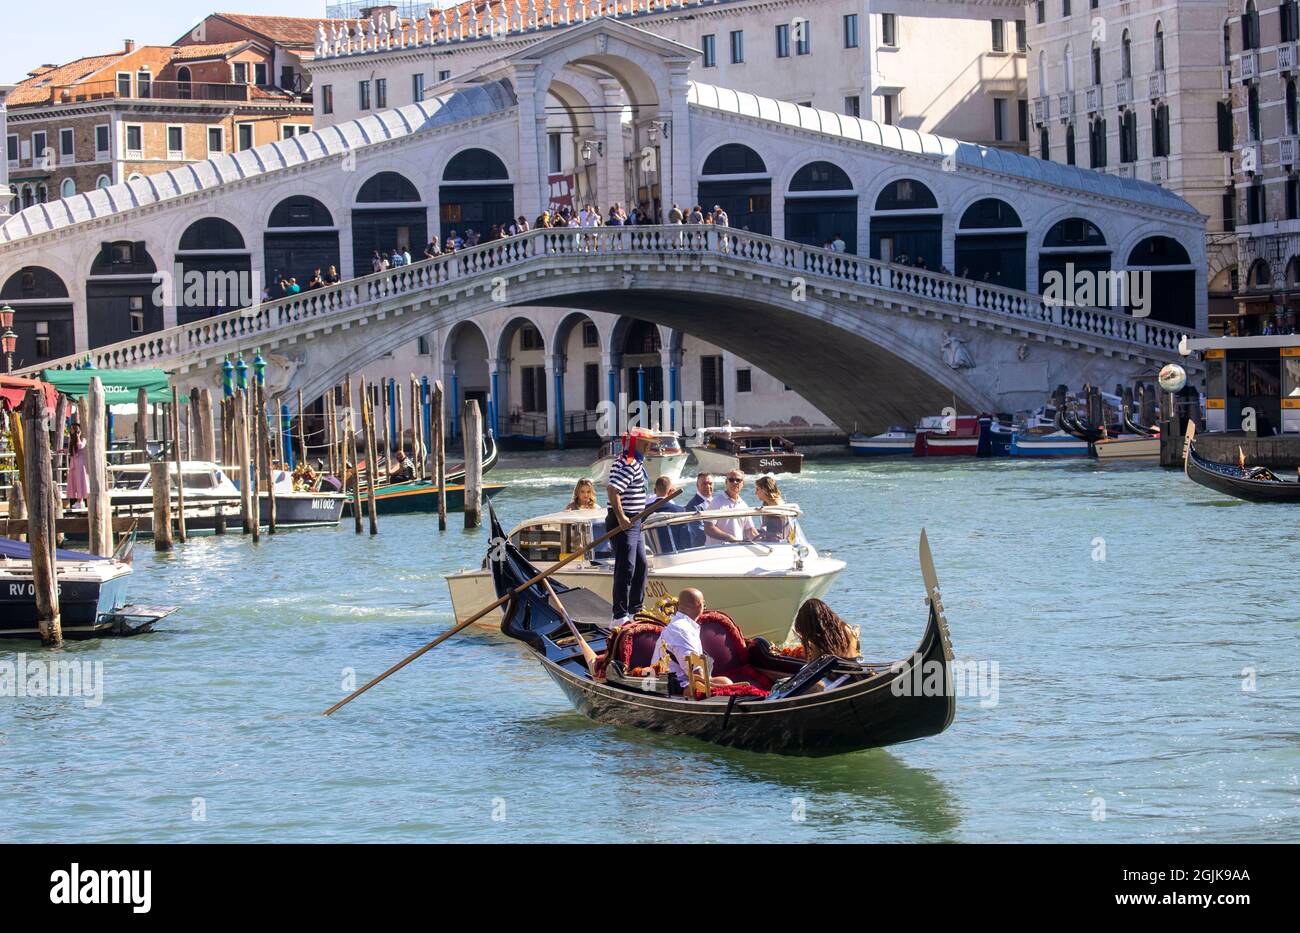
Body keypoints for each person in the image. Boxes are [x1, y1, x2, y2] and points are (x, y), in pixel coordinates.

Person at [606, 429, 664, 625]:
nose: (649, 446)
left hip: (635, 521)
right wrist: (621, 517)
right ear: (634, 443)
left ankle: (635, 611)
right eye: (645, 443)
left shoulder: (633, 463)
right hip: (624, 521)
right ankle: (619, 615)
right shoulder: (629, 464)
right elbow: (613, 489)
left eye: (649, 443)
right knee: (626, 567)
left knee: (641, 565)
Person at [649, 588, 734, 691]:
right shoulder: (681, 630)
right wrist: (729, 687)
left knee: (725, 682)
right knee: (726, 683)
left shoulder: (684, 626)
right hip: (675, 688)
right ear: (700, 605)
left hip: (685, 681)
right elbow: (695, 673)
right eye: (704, 604)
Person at [793, 598, 861, 664]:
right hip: (854, 669)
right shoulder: (847, 628)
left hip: (837, 672)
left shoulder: (821, 641)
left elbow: (814, 664)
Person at [705, 469, 758, 544]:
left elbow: (750, 530)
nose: (735, 482)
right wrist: (730, 538)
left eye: (738, 480)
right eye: (731, 480)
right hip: (716, 551)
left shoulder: (744, 505)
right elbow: (708, 528)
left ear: (743, 484)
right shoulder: (716, 502)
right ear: (726, 483)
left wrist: (762, 540)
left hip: (736, 549)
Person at [645, 474, 689, 552]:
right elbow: (685, 538)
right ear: (670, 492)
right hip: (675, 553)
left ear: (655, 491)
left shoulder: (644, 511)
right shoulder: (680, 511)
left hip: (652, 554)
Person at [754, 475, 792, 542]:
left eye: (757, 489)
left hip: (779, 543)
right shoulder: (767, 504)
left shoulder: (779, 505)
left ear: (764, 490)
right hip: (769, 541)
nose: (755, 493)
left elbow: (785, 530)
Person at [683, 472, 714, 549]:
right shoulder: (692, 506)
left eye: (710, 483)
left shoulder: (716, 501)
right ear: (697, 486)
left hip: (720, 546)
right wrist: (723, 535)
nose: (708, 486)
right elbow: (699, 532)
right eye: (704, 484)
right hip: (702, 549)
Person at [65, 423, 88, 508]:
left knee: (80, 481)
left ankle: (80, 501)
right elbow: (71, 451)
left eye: (72, 429)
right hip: (73, 463)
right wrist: (62, 450)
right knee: (74, 481)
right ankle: (78, 501)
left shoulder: (82, 439)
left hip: (80, 464)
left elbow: (80, 446)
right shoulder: (71, 440)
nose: (70, 431)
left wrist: (78, 436)